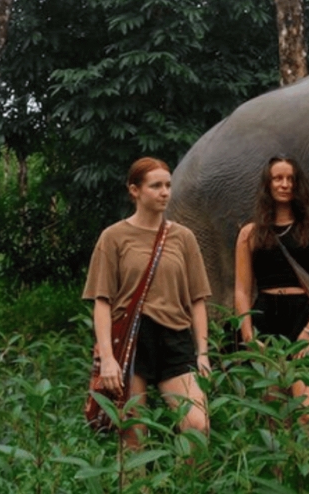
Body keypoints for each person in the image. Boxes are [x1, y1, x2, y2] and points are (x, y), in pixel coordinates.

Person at [83, 157, 212, 451]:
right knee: (133, 435)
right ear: (134, 190)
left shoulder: (184, 238)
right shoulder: (113, 237)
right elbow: (102, 301)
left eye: (168, 185)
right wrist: (107, 358)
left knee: (197, 426)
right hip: (132, 340)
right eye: (156, 186)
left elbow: (197, 301)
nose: (165, 192)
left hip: (175, 338)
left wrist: (202, 352)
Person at [233, 156, 309, 416]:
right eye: (278, 178)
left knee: (308, 411)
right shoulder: (250, 233)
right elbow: (242, 290)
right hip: (265, 319)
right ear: (267, 185)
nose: (285, 184)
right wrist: (248, 335)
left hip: (303, 316)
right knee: (274, 414)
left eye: (291, 179)